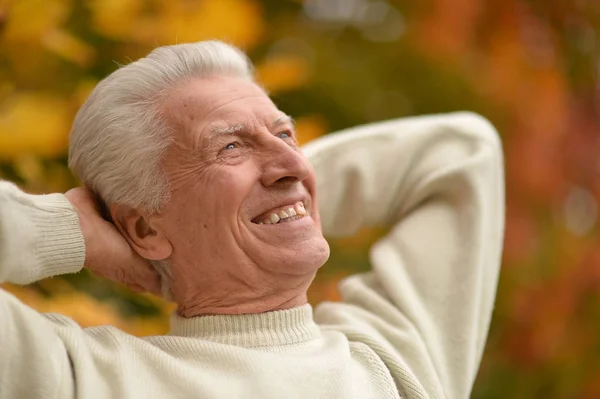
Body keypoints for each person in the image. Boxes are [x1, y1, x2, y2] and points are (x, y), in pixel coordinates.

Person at [0, 41, 504, 399]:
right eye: (230, 146)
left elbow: (462, 153)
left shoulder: (395, 363)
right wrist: (66, 232)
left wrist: (268, 199)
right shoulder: (80, 377)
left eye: (285, 135)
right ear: (145, 229)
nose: (293, 164)